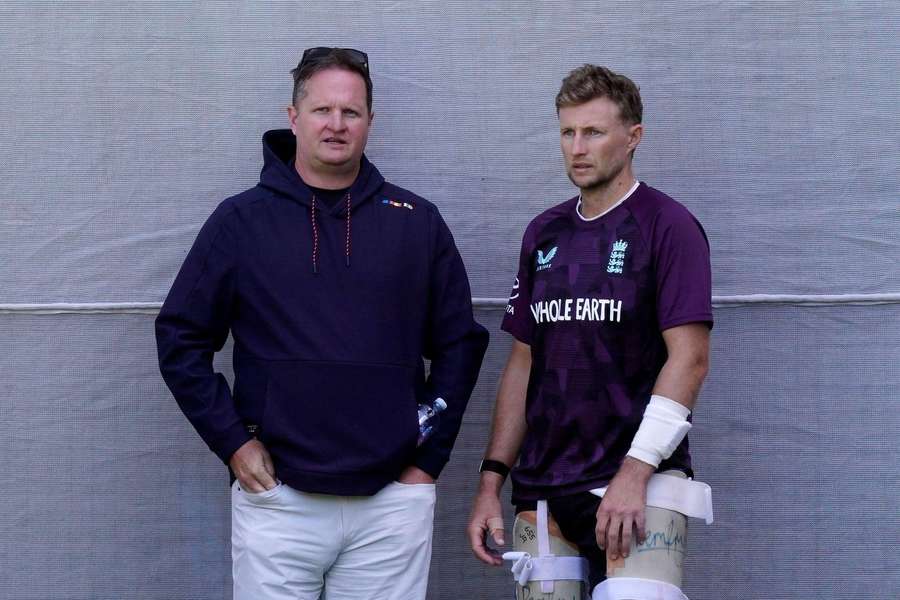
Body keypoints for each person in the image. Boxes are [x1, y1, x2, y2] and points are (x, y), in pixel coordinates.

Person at [156, 47, 488, 600]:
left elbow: (460, 344)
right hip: (278, 501)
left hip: (390, 506)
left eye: (351, 112)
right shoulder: (241, 222)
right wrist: (233, 442)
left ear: (370, 121)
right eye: (322, 110)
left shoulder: (417, 224)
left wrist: (426, 459)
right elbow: (179, 337)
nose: (336, 124)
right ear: (294, 117)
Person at [467, 65, 712, 600]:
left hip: (640, 482)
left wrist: (636, 470)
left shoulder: (667, 225)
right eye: (567, 132)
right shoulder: (544, 232)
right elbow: (524, 362)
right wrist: (491, 480)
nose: (577, 148)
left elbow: (690, 359)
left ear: (633, 137)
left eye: (594, 132)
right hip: (543, 487)